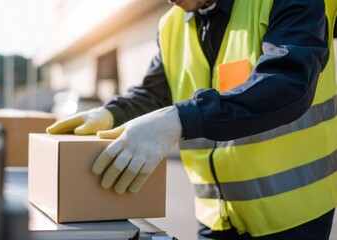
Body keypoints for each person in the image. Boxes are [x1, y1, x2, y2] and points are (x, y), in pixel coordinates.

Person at [46, 0, 337, 239]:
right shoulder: (172, 24)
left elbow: (287, 84)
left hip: (291, 216)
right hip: (216, 218)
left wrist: (180, 119)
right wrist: (110, 113)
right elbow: (153, 93)